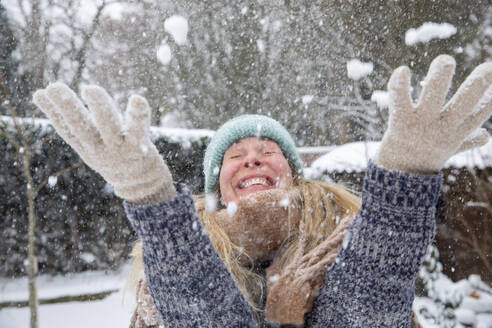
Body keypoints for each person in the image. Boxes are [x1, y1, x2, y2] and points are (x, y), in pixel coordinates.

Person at [32, 55, 492, 327]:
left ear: (294, 174)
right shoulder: (166, 271)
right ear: (217, 188)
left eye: (268, 150)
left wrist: (405, 176)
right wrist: (147, 195)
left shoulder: (354, 238)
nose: (252, 158)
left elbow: (364, 311)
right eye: (234, 156)